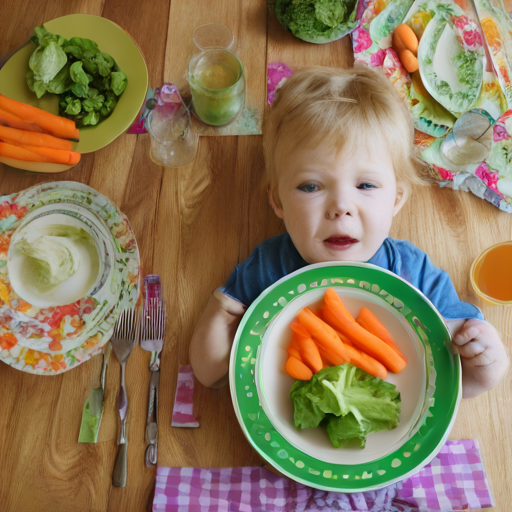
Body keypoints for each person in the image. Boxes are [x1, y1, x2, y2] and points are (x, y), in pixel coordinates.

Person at [189, 65, 509, 398]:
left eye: (366, 185)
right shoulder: (270, 266)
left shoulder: (412, 272)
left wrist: (487, 365)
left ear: (396, 199)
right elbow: (209, 372)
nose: (341, 206)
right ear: (278, 201)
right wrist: (220, 311)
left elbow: (456, 385)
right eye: (311, 186)